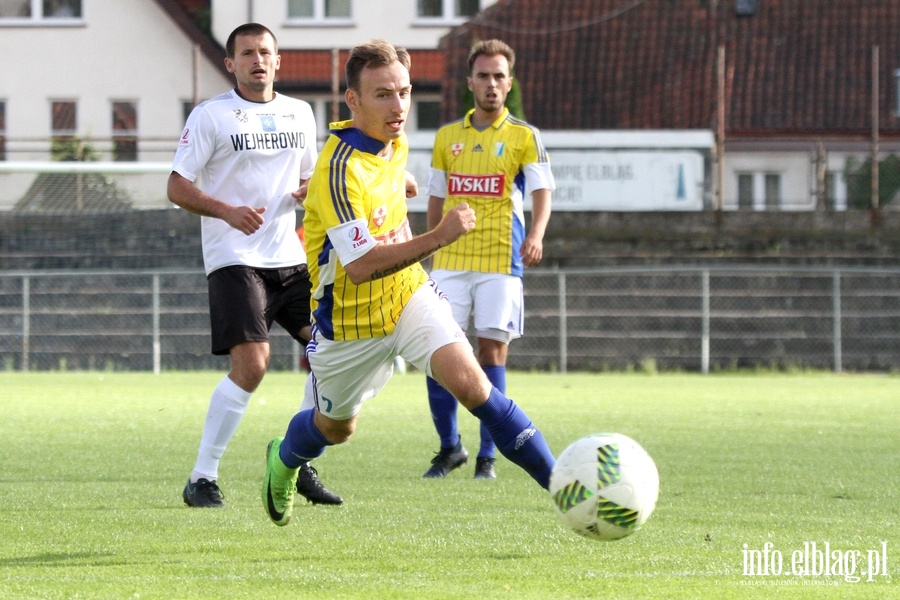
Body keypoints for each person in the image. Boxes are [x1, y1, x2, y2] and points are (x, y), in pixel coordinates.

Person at [260, 39, 557, 527]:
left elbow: (389, 176)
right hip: (350, 327)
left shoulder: (394, 141)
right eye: (382, 95)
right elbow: (358, 265)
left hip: (410, 299)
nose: (398, 107)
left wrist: (405, 183)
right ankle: (284, 459)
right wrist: (438, 236)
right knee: (336, 429)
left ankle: (566, 491)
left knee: (478, 390)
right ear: (352, 101)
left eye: (404, 92)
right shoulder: (337, 171)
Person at [168, 22, 341, 508]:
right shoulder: (212, 116)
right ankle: (202, 478)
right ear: (231, 64)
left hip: (291, 257)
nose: (258, 60)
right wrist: (226, 210)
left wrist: (309, 193)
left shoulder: (300, 113)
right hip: (235, 259)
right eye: (247, 54)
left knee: (332, 354)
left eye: (265, 52)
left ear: (278, 60)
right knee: (253, 365)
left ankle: (298, 459)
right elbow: (176, 185)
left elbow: (309, 178)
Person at [421, 39, 554, 480]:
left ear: (509, 83)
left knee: (491, 351)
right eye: (484, 76)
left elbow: (541, 191)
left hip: (501, 260)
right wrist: (429, 248)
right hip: (451, 261)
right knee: (439, 351)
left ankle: (488, 456)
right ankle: (448, 448)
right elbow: (435, 199)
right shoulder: (447, 137)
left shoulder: (524, 136)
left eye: (499, 76)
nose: (492, 84)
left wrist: (535, 233)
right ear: (470, 83)